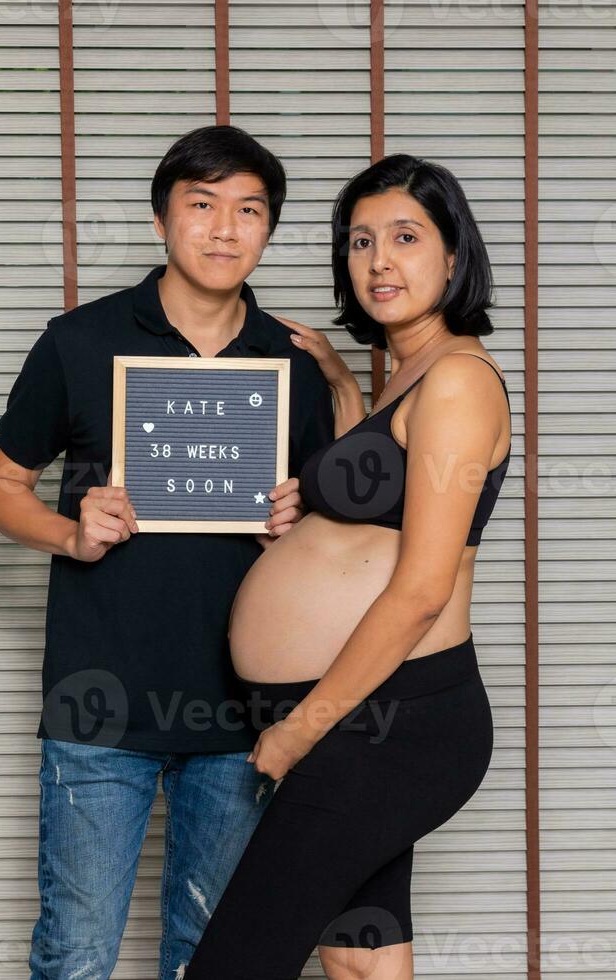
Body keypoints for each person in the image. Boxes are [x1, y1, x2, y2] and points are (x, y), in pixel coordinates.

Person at [0, 125, 346, 979]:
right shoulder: (79, 340)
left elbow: (343, 548)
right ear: (160, 220)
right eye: (202, 205)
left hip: (243, 712)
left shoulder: (291, 363)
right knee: (75, 955)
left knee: (211, 957)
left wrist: (300, 521)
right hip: (99, 703)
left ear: (269, 229)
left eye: (248, 210)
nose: (224, 229)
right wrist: (71, 529)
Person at [183, 154, 512, 980]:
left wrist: (297, 732)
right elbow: (379, 506)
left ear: (453, 254)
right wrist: (340, 385)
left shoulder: (460, 384)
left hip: (385, 726)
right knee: (362, 964)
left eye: (406, 237)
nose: (379, 261)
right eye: (360, 242)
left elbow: (420, 589)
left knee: (234, 963)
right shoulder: (413, 375)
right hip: (362, 717)